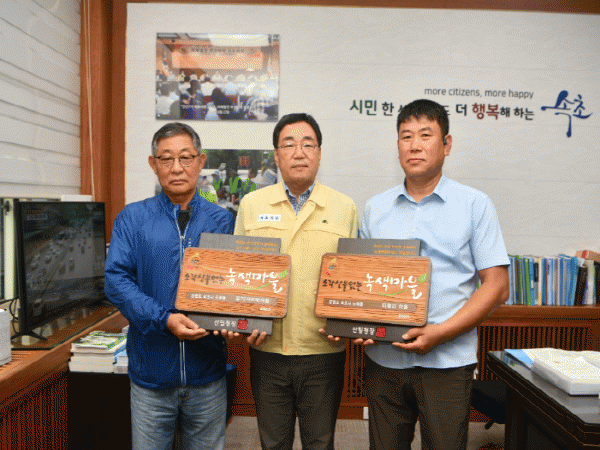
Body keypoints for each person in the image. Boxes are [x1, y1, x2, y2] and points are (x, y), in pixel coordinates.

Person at [359, 99, 510, 450]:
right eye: (406, 136)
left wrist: (440, 333)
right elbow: (364, 282)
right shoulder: (375, 208)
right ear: (398, 145)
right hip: (384, 360)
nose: (414, 145)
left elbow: (498, 286)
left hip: (447, 363)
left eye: (425, 135)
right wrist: (357, 323)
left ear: (446, 144)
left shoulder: (475, 204)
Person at [104, 122, 235, 450]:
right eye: (166, 158)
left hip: (207, 374)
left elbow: (234, 286)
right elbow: (116, 281)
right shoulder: (132, 218)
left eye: (186, 157)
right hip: (151, 377)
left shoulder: (223, 221)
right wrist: (165, 319)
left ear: (201, 161)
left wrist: (236, 319)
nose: (177, 168)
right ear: (154, 164)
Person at [234, 113, 359, 450]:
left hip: (323, 351)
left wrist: (345, 324)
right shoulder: (251, 205)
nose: (299, 152)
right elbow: (240, 275)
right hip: (267, 350)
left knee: (320, 442)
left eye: (308, 144)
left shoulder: (344, 207)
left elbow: (353, 277)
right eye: (289, 145)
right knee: (273, 443)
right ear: (276, 156)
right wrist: (245, 322)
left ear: (319, 153)